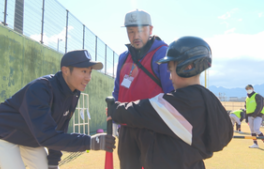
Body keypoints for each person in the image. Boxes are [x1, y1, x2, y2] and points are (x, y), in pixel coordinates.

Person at [108, 36, 233, 169]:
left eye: (172, 70)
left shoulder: (181, 103)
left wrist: (114, 110)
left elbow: (141, 110)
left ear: (188, 67)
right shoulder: (208, 100)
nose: (169, 76)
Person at [0, 50, 116, 169]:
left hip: (31, 137)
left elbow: (60, 127)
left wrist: (53, 161)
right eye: (83, 71)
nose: (88, 78)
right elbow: (47, 136)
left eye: (90, 72)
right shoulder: (41, 89)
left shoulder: (74, 92)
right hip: (4, 133)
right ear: (65, 70)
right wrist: (90, 142)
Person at [112, 9, 174, 168]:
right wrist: (114, 116)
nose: (135, 36)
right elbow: (118, 91)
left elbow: (171, 93)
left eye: (140, 30)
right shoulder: (123, 57)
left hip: (154, 129)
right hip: (127, 129)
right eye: (130, 31)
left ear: (151, 29)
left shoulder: (163, 54)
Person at [244, 84, 264, 148]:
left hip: (258, 115)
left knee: (256, 129)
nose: (248, 90)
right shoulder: (247, 98)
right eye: (247, 89)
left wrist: (255, 114)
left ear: (252, 89)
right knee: (252, 130)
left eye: (249, 88)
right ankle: (255, 144)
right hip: (250, 116)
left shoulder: (257, 96)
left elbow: (260, 106)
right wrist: (246, 118)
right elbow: (246, 108)